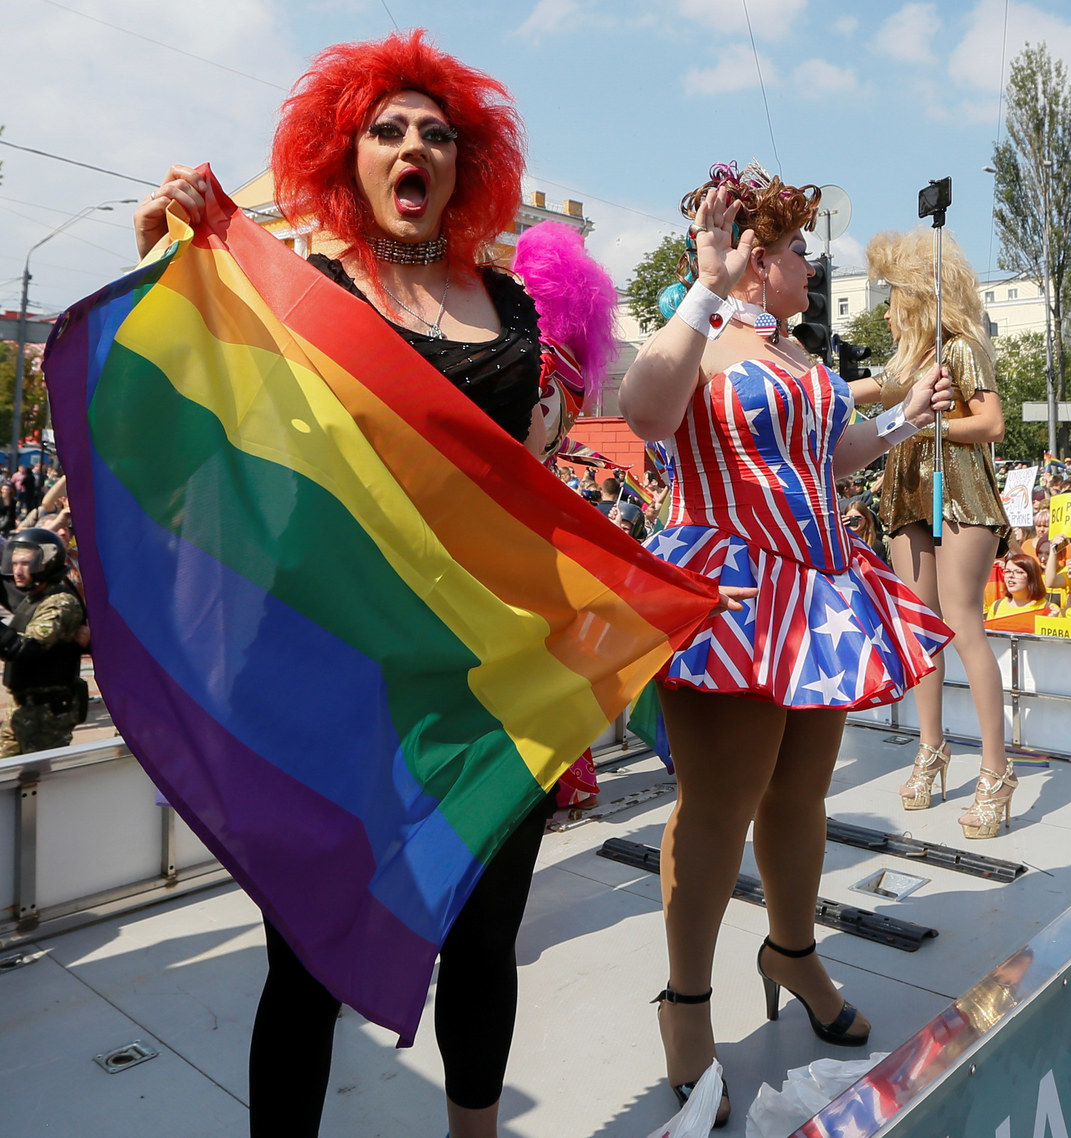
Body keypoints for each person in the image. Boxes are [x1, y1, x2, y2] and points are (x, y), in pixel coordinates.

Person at [134, 33, 632, 1138]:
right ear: (345, 156)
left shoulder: (515, 310)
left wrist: (645, 591)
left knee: (486, 941)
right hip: (334, 681)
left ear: (467, 164)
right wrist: (168, 271)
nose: (415, 148)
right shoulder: (299, 297)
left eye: (437, 134)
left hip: (492, 682)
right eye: (388, 130)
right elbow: (210, 423)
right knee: (308, 958)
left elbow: (544, 490)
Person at [619, 161, 954, 1123]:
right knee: (717, 811)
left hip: (818, 591)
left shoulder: (802, 357)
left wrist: (898, 419)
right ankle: (686, 1002)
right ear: (760, 260)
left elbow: (827, 455)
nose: (813, 262)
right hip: (728, 592)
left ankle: (792, 951)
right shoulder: (704, 332)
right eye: (800, 249)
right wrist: (705, 281)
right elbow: (645, 415)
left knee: (801, 793)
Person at [855, 228, 1014, 842]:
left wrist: (922, 429)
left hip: (962, 490)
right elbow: (858, 400)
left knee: (963, 622)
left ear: (917, 303)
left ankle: (996, 774)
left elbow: (993, 423)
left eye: (894, 301)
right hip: (907, 489)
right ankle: (931, 751)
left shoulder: (960, 350)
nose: (887, 312)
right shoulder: (901, 366)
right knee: (920, 628)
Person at [0, 528, 87, 757]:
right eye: (14, 563)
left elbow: (25, 649)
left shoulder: (61, 603)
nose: (17, 571)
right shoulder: (33, 599)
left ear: (46, 563)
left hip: (46, 713)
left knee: (41, 785)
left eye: (25, 564)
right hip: (21, 706)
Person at [984, 552, 1056, 629]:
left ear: (1032, 577)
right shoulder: (996, 606)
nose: (1011, 576)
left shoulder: (1049, 609)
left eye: (1018, 572)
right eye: (1007, 571)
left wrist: (1051, 623)